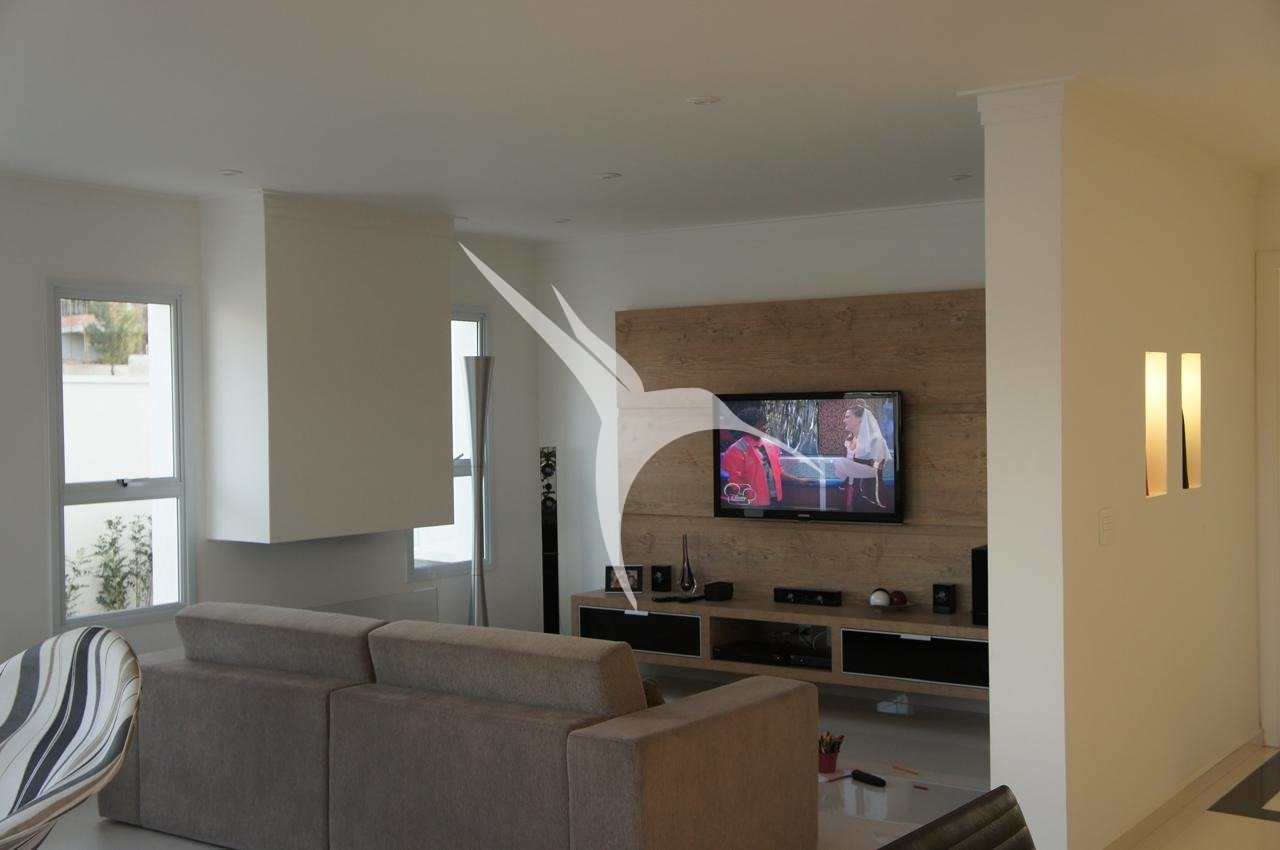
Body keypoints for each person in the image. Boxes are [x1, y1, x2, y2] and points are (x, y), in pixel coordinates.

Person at [720, 405, 786, 507]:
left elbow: (778, 471)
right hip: (754, 504)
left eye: (765, 424)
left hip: (776, 500)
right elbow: (735, 482)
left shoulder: (771, 445)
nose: (765, 428)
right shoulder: (735, 450)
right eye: (761, 425)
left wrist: (801, 481)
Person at [834, 401, 891, 508]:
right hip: (850, 491)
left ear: (859, 419)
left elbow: (876, 471)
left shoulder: (876, 440)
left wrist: (845, 465)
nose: (844, 420)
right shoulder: (849, 440)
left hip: (869, 494)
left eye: (847, 417)